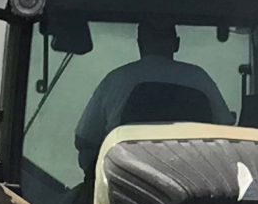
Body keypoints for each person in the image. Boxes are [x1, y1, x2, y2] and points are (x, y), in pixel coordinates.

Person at [74, 21, 230, 183]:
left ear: (140, 44)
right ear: (176, 44)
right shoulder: (200, 79)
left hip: (126, 186)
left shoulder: (117, 79)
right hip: (195, 189)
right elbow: (226, 135)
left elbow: (84, 141)